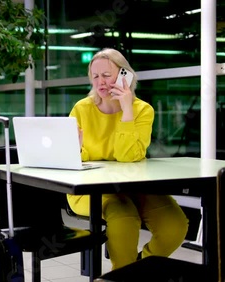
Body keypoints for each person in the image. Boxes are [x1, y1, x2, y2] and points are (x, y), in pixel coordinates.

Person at [66, 48, 189, 270]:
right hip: (92, 189)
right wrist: (74, 149)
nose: (100, 82)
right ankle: (122, 275)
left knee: (175, 226)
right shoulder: (81, 109)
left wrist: (126, 111)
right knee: (124, 216)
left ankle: (137, 269)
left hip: (134, 184)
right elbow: (74, 156)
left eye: (106, 75)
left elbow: (128, 157)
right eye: (95, 77)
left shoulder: (142, 110)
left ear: (125, 75)